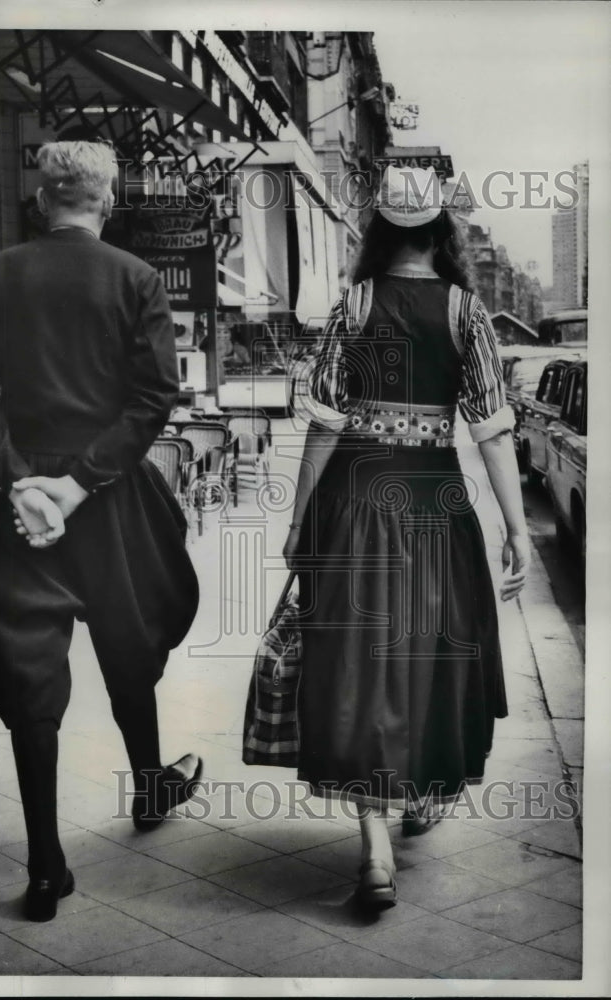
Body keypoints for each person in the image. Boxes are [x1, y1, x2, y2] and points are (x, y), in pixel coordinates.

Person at [0, 141, 203, 922]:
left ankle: (46, 865)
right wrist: (81, 482)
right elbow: (154, 396)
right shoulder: (137, 279)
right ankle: (150, 788)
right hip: (109, 497)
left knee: (29, 677)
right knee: (129, 644)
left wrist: (17, 479)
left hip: (21, 504)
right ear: (107, 199)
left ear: (41, 199)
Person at [284, 166, 529, 912]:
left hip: (355, 499)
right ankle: (422, 793)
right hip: (436, 505)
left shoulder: (352, 305)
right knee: (431, 654)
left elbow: (323, 425)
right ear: (441, 234)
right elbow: (492, 431)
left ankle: (374, 852)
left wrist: (300, 519)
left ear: (380, 231)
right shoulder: (467, 312)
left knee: (358, 663)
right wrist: (516, 526)